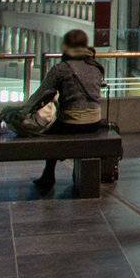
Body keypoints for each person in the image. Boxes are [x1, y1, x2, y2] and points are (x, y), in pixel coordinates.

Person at [24, 29, 115, 190]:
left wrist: (23, 110)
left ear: (66, 46)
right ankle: (75, 172)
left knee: (50, 133)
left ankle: (48, 175)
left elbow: (40, 94)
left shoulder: (62, 68)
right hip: (94, 120)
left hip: (71, 121)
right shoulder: (95, 67)